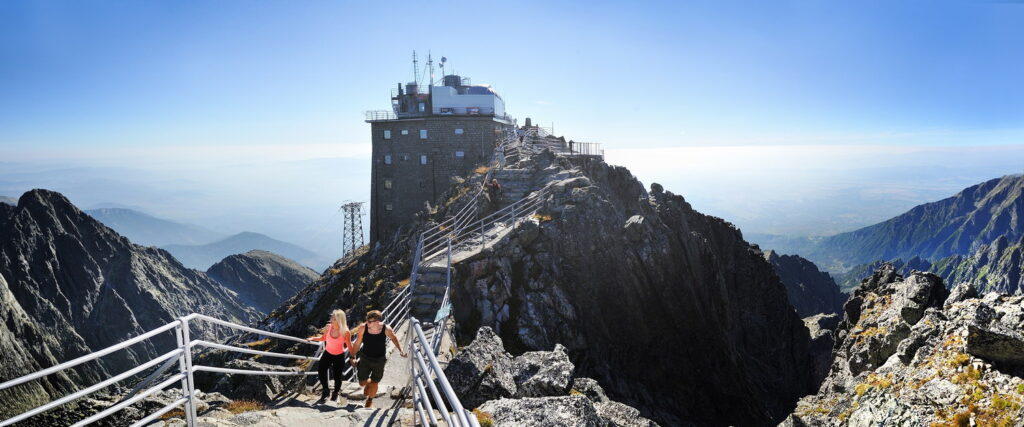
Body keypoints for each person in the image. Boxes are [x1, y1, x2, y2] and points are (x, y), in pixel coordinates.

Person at [350, 310, 406, 408]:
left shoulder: (386, 329)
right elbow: (357, 343)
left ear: (377, 322)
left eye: (370, 321)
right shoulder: (363, 328)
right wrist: (352, 356)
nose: (367, 323)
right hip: (365, 357)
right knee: (362, 383)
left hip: (379, 359)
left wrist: (401, 350)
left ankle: (369, 401)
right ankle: (368, 384)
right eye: (367, 320)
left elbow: (394, 338)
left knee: (375, 381)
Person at [307, 309, 353, 403]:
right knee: (321, 371)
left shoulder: (345, 332)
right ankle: (325, 390)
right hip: (327, 353)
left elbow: (349, 345)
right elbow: (323, 338)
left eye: (333, 317)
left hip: (339, 356)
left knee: (337, 377)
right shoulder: (328, 327)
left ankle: (335, 392)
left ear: (339, 319)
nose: (331, 318)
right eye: (332, 316)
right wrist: (313, 338)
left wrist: (353, 357)